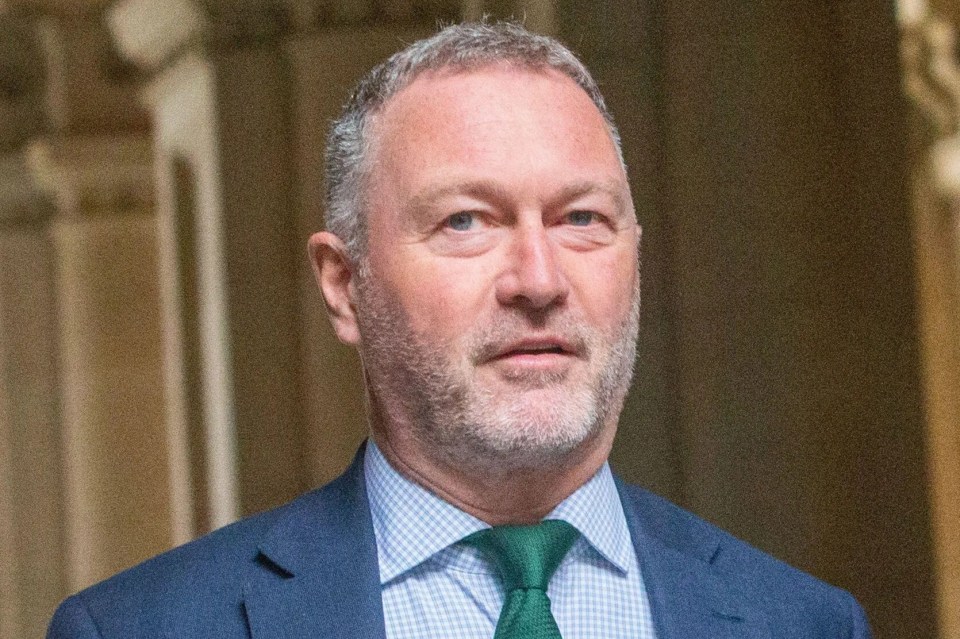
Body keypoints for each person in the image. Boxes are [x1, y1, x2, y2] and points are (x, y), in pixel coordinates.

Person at [47, 21, 872, 639]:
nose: (539, 281)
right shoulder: (140, 628)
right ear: (344, 284)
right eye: (467, 221)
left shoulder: (803, 623)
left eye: (581, 217)